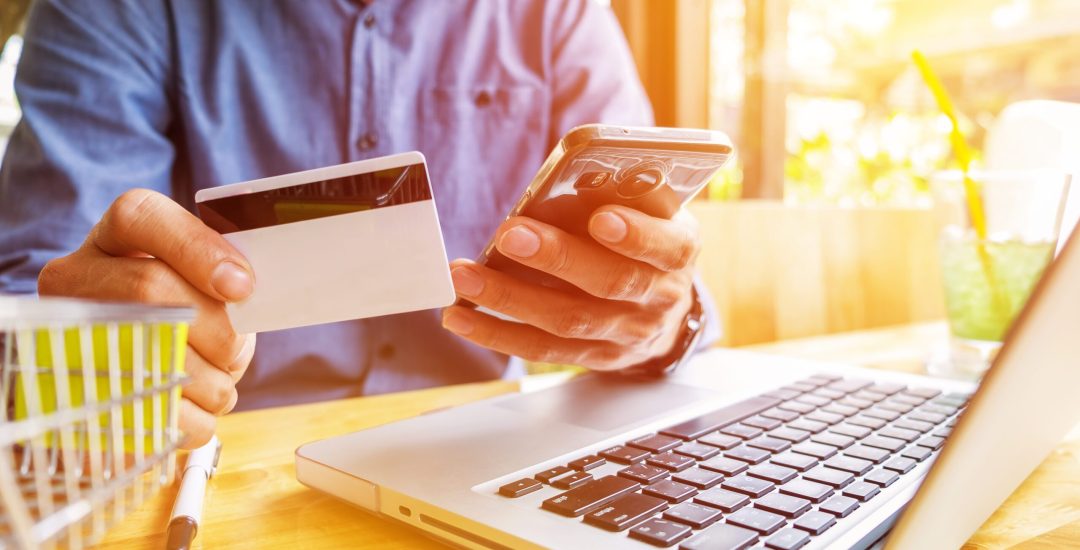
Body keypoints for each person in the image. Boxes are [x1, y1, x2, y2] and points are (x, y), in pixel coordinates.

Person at [0, 0, 716, 448]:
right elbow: (40, 292)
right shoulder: (112, 10)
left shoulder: (556, 12)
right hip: (219, 454)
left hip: (484, 446)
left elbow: (660, 283)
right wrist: (68, 354)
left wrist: (655, 321)